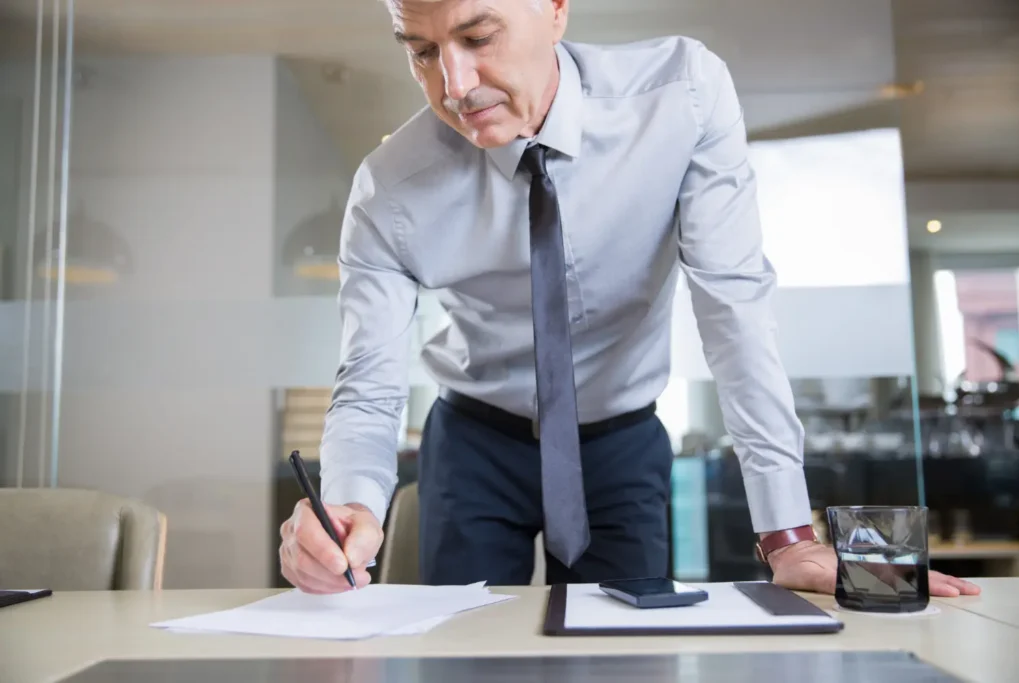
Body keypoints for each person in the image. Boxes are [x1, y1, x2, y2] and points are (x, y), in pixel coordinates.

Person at [279, 0, 980, 598]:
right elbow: (368, 385)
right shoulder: (390, 186)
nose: (453, 84)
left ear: (555, 8)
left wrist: (788, 533)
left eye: (477, 37)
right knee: (464, 660)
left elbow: (732, 309)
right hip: (474, 442)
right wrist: (345, 508)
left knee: (623, 659)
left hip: (618, 440)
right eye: (422, 51)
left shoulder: (683, 96)